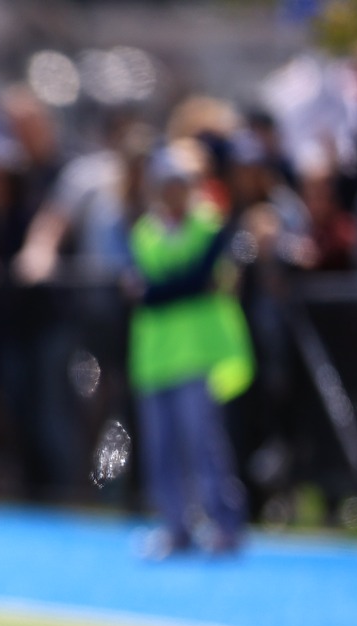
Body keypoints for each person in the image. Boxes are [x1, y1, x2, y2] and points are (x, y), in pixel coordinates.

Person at [126, 145, 254, 558]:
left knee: (204, 445)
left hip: (198, 355)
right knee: (162, 450)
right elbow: (172, 287)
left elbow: (186, 284)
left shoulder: (210, 227)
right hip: (156, 357)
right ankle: (176, 526)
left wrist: (156, 293)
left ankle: (224, 523)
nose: (174, 194)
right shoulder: (146, 232)